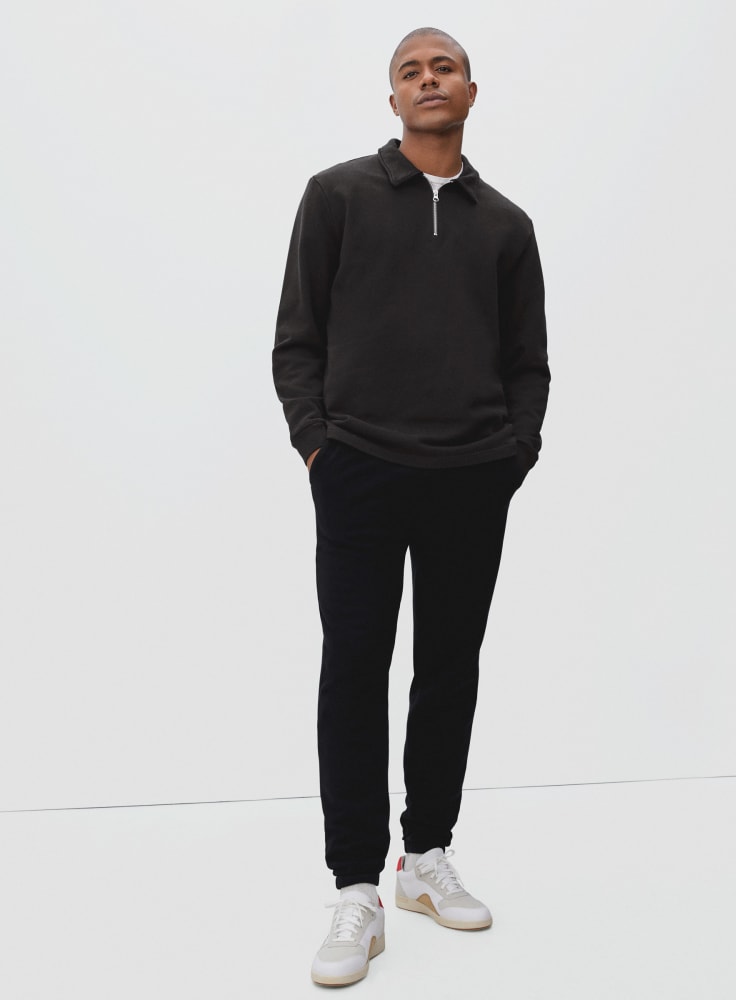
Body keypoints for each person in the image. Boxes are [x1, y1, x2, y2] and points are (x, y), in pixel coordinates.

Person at [272, 26, 550, 988]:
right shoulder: (337, 196)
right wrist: (319, 445)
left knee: (448, 668)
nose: (429, 79)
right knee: (354, 668)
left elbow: (528, 361)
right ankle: (357, 888)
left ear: (471, 90)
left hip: (472, 475)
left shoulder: (506, 225)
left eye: (445, 68)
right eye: (410, 71)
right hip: (359, 468)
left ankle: (425, 856)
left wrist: (513, 453)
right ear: (392, 98)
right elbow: (296, 338)